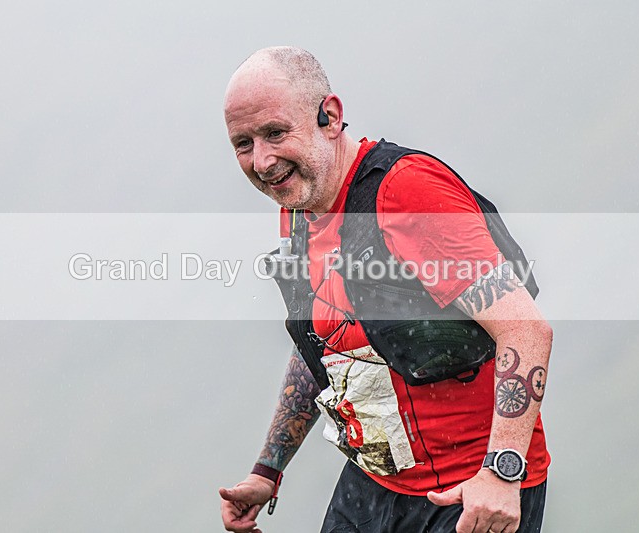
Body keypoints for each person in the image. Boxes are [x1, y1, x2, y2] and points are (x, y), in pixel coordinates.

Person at [219, 46, 552, 533]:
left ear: (330, 116)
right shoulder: (299, 209)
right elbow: (328, 341)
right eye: (243, 143)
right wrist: (267, 470)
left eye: (275, 133)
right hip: (373, 487)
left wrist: (501, 474)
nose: (263, 161)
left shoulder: (408, 193)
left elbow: (525, 330)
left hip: (469, 491)